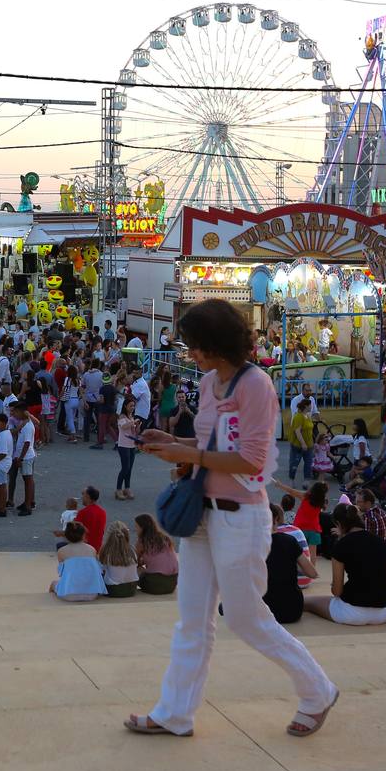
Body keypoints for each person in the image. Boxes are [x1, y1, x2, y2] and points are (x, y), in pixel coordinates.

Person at [126, 299, 337, 737]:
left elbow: (252, 459)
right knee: (191, 619)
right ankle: (174, 713)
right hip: (202, 516)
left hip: (241, 516)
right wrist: (173, 439)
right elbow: (209, 442)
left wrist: (188, 452)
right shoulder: (208, 384)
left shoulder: (255, 385)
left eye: (197, 345)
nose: (191, 353)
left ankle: (317, 690)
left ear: (218, 343)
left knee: (244, 617)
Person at [303, 504, 386, 627]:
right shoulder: (380, 542)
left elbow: (337, 591)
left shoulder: (341, 545)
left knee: (306, 601)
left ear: (339, 524)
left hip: (351, 612)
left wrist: (334, 585)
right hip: (382, 612)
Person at [264, 505, 316, 624]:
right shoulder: (290, 541)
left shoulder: (252, 545)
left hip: (264, 612)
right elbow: (312, 573)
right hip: (292, 611)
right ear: (276, 519)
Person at [49, 521, 107, 602]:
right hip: (92, 594)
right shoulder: (92, 549)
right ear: (84, 535)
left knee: (53, 584)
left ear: (66, 536)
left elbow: (62, 573)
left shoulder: (62, 551)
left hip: (68, 595)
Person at [275, 480, 328, 560]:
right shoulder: (322, 501)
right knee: (312, 554)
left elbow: (291, 491)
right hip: (314, 529)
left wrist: (280, 485)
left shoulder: (305, 496)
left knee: (298, 553)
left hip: (300, 528)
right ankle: (311, 570)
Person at [134, 513, 178, 596]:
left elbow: (134, 561)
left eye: (137, 527)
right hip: (172, 583)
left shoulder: (142, 541)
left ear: (143, 528)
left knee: (138, 570)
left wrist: (141, 563)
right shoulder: (165, 538)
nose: (135, 529)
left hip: (154, 585)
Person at [100, 521, 139, 598]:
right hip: (131, 589)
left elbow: (102, 569)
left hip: (113, 590)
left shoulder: (106, 551)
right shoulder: (132, 550)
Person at [287, 397, 316, 483]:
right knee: (294, 463)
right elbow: (297, 431)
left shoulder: (307, 416)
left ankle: (306, 481)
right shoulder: (298, 417)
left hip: (309, 444)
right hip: (298, 445)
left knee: (308, 463)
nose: (311, 407)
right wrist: (303, 443)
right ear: (306, 406)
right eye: (310, 405)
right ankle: (291, 479)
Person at [74, 485, 107, 552]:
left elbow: (73, 532)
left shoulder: (82, 513)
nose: (81, 497)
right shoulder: (102, 512)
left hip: (84, 548)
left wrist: (60, 533)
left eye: (83, 494)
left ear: (88, 497)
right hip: (97, 548)